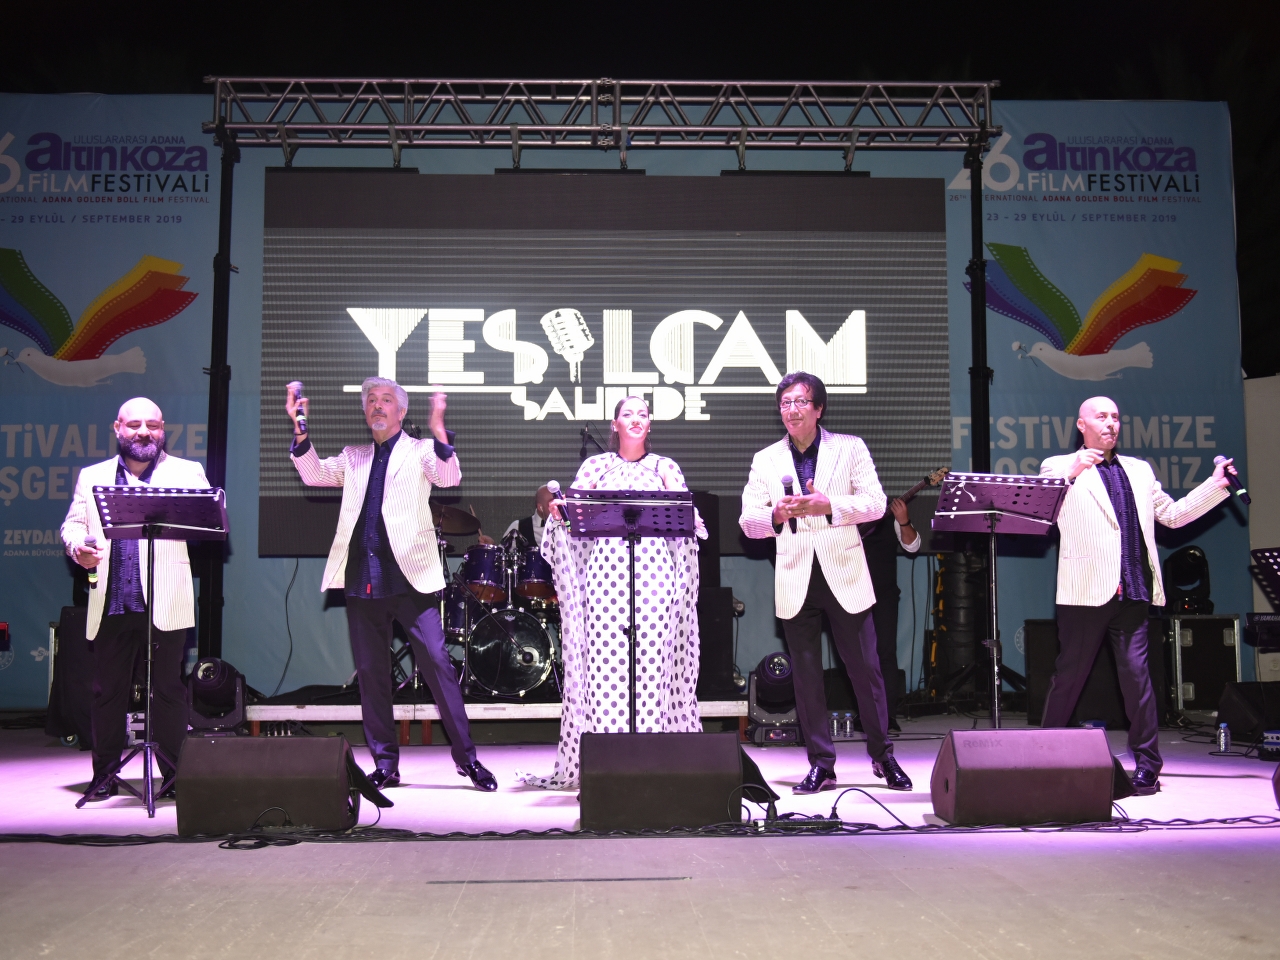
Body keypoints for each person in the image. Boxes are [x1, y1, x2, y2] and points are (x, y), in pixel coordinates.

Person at [287, 377, 496, 792]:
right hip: (362, 581)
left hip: (410, 580)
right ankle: (385, 763)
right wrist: (300, 429)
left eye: (386, 400)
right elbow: (313, 475)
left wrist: (439, 430)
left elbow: (449, 476)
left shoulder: (420, 451)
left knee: (437, 664)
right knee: (371, 674)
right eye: (371, 400)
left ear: (401, 412)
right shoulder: (354, 457)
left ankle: (468, 759)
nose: (377, 406)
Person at [1039, 395, 1235, 795]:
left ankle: (1148, 765)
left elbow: (1173, 515)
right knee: (1069, 677)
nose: (1110, 423)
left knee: (1137, 678)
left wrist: (1216, 485)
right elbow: (1043, 509)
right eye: (1101, 416)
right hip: (1086, 591)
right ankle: (1041, 754)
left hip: (1133, 590)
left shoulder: (1139, 470)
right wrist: (1074, 471)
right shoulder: (1057, 466)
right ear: (1082, 425)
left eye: (1115, 417)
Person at [519, 395, 706, 788]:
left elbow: (688, 519)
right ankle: (607, 765)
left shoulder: (665, 467)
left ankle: (652, 762)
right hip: (605, 578)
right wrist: (559, 512)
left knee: (652, 666)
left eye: (643, 414)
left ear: (650, 424)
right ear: (615, 424)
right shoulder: (596, 467)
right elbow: (572, 517)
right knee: (606, 670)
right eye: (627, 414)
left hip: (655, 577)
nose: (635, 419)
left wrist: (686, 509)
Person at [740, 371, 912, 794]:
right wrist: (776, 515)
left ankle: (883, 755)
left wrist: (829, 504)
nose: (792, 410)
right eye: (785, 403)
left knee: (865, 671)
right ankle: (821, 764)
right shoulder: (766, 459)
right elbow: (747, 521)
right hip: (795, 575)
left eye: (801, 402)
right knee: (806, 677)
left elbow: (875, 504)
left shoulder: (850, 448)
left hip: (844, 573)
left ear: (819, 409)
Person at [61, 397, 210, 802]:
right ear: (118, 428)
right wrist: (78, 548)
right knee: (107, 691)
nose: (144, 432)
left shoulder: (187, 472)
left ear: (163, 430)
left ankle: (175, 775)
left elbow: (206, 518)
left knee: (168, 690)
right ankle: (105, 775)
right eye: (134, 425)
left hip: (166, 600)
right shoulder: (92, 476)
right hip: (113, 600)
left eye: (153, 425)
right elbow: (73, 525)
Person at [856, 497, 921, 729]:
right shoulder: (844, 509)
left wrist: (904, 521)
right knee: (857, 656)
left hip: (884, 595)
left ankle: (888, 716)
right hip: (851, 594)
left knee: (885, 653)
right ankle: (863, 714)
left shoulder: (888, 512)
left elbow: (913, 546)